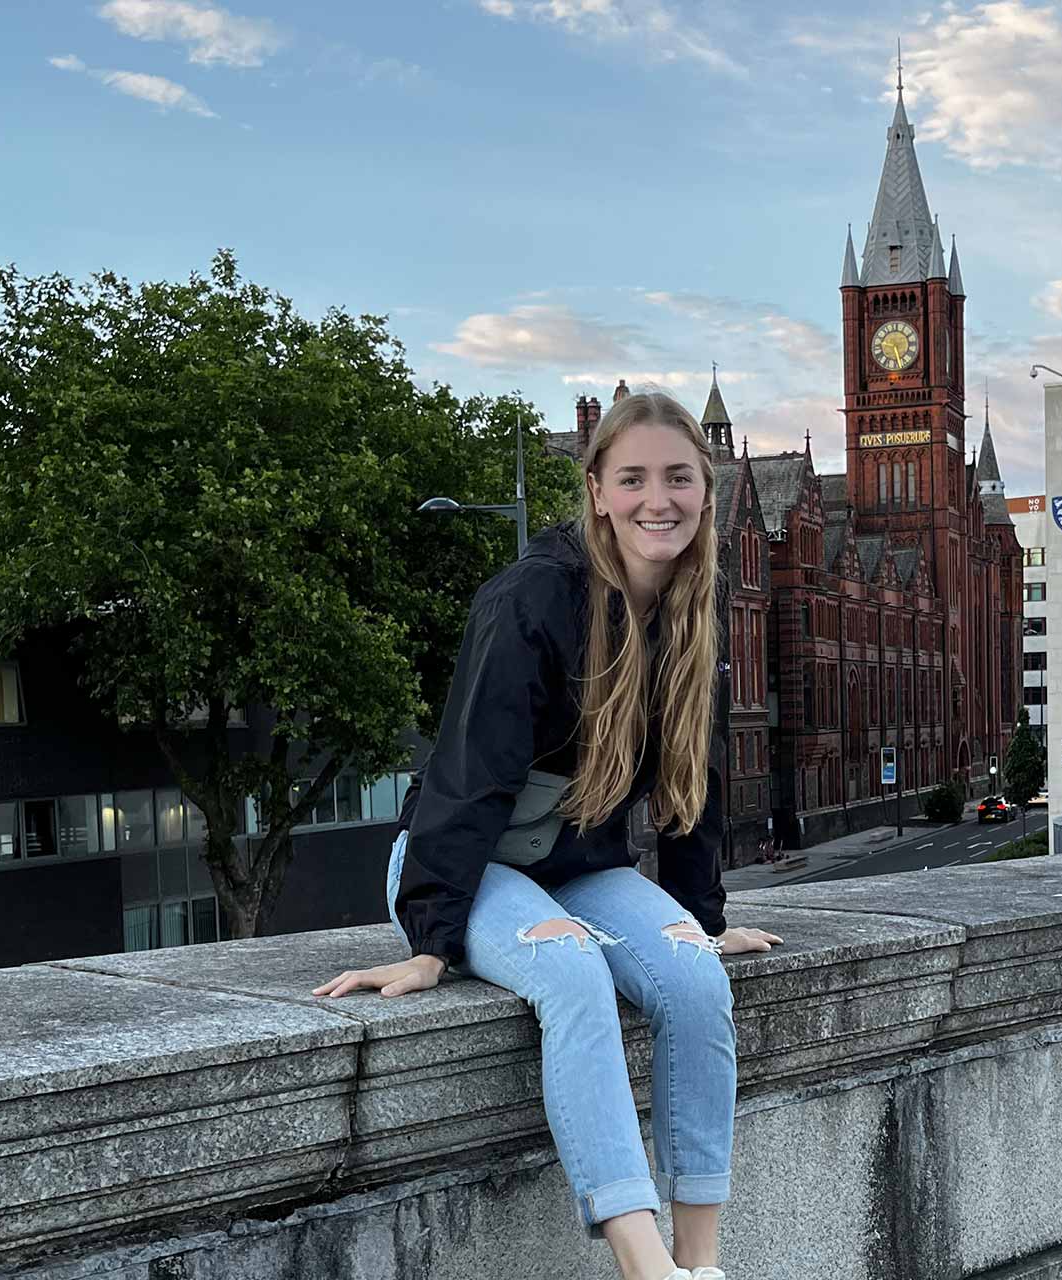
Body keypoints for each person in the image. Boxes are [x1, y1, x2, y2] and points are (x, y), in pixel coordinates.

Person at [314, 390, 782, 1280]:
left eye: (679, 479)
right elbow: (467, 776)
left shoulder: (697, 606)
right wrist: (432, 942)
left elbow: (699, 777)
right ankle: (646, 1271)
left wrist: (700, 916)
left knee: (693, 978)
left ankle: (703, 1262)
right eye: (634, 478)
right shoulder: (533, 599)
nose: (659, 500)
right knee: (571, 974)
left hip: (575, 867)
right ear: (599, 491)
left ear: (705, 494)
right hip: (462, 863)